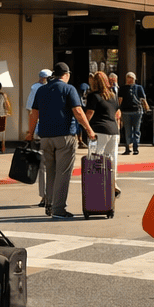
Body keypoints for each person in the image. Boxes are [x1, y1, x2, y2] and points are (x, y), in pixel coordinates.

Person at [25, 62, 96, 219]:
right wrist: (89, 130)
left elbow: (34, 114)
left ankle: (49, 203)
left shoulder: (41, 90)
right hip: (64, 136)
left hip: (45, 137)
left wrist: (30, 133)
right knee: (63, 173)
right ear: (67, 74)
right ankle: (59, 209)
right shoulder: (69, 89)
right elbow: (77, 111)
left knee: (50, 171)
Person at [85, 71, 122, 196]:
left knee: (96, 157)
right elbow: (117, 114)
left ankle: (98, 184)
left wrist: (85, 128)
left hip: (99, 130)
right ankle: (113, 184)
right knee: (112, 159)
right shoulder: (113, 96)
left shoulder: (93, 96)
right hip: (113, 130)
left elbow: (89, 114)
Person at [25, 69, 52, 209]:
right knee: (50, 165)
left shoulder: (36, 89)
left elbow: (31, 111)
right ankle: (51, 197)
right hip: (50, 130)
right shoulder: (51, 89)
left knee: (44, 165)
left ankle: (45, 196)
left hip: (40, 131)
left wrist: (30, 132)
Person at [118, 72, 148, 155]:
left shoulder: (138, 88)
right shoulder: (123, 88)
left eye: (131, 77)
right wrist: (118, 109)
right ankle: (127, 147)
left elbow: (143, 99)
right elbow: (120, 100)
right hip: (126, 111)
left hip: (137, 111)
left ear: (135, 79)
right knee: (127, 130)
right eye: (128, 77)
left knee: (136, 130)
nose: (130, 79)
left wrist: (146, 107)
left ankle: (136, 147)